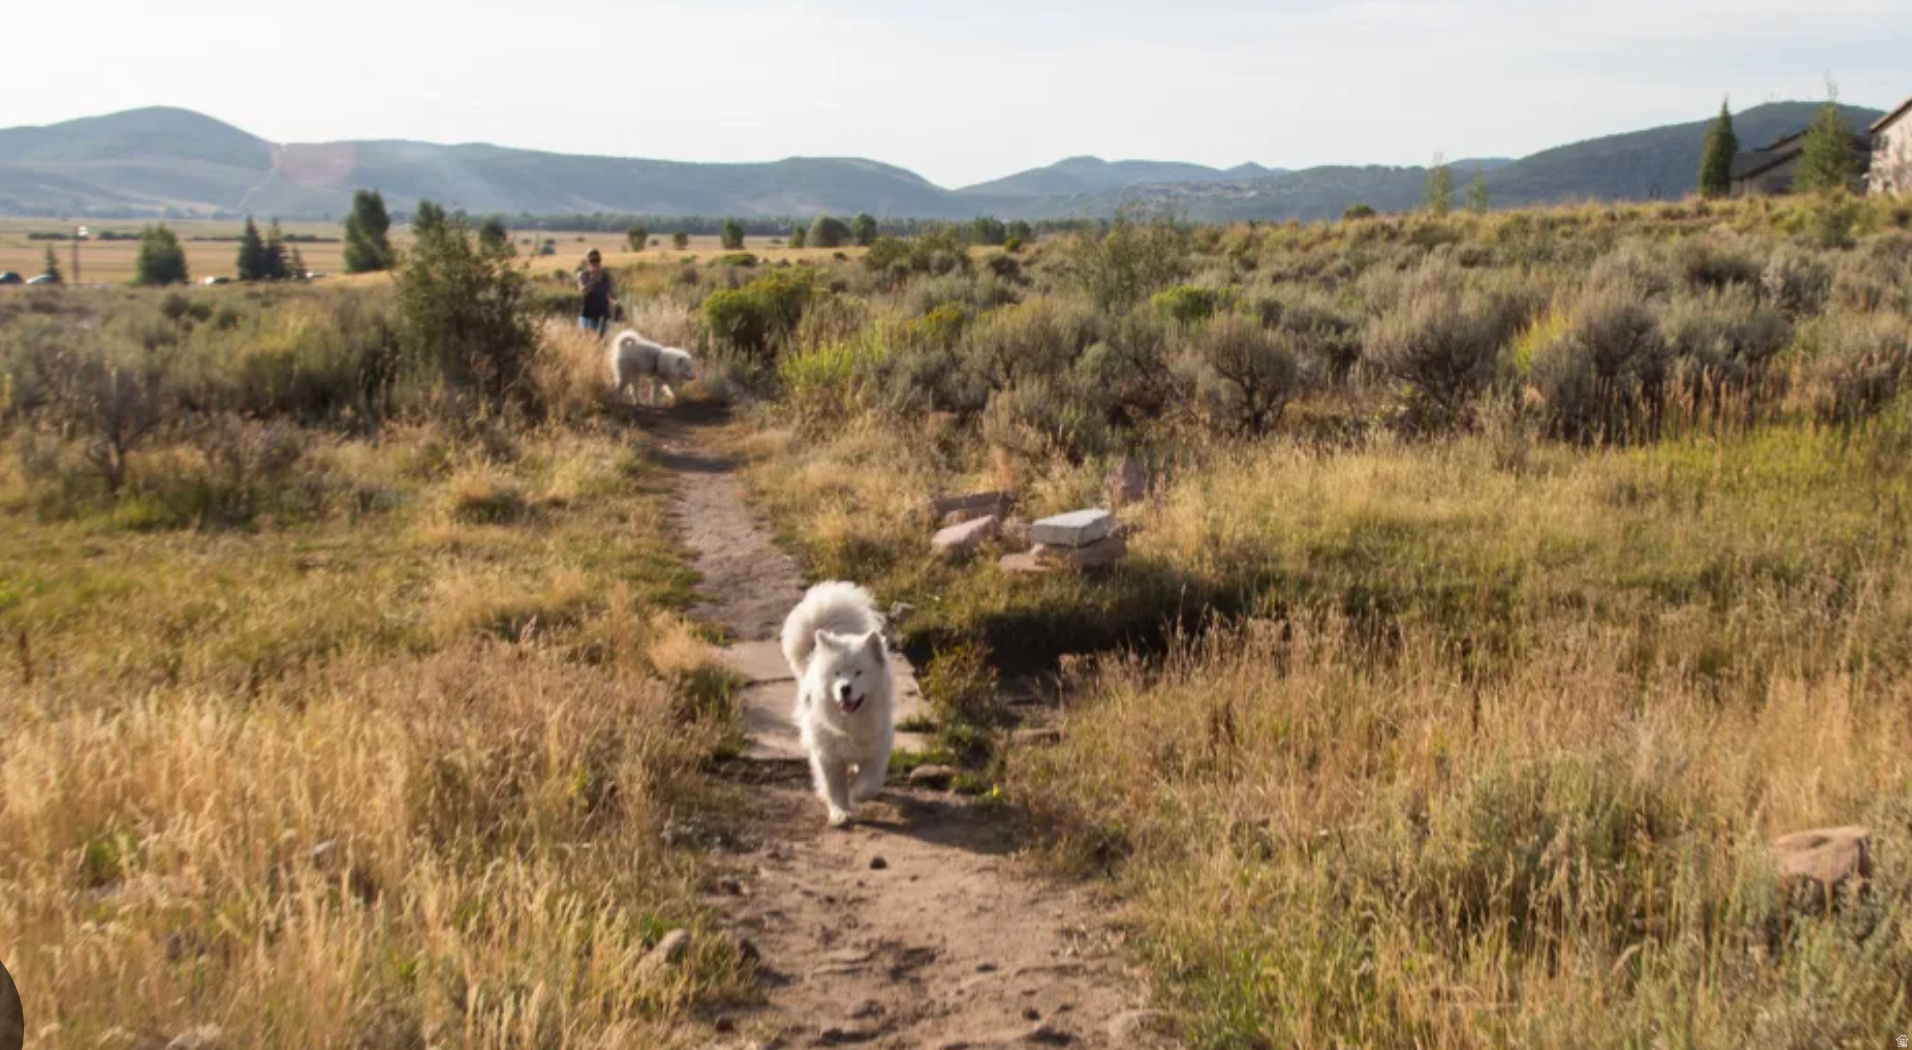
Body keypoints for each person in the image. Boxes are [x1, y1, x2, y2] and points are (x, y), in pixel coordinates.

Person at [576, 249, 616, 334]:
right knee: (589, 344)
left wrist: (613, 305)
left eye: (597, 260)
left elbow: (612, 294)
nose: (595, 263)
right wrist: (593, 278)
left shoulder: (606, 276)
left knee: (602, 343)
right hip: (587, 317)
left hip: (602, 317)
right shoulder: (583, 275)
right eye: (592, 260)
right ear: (587, 262)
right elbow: (584, 292)